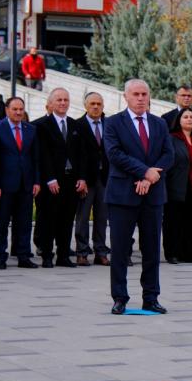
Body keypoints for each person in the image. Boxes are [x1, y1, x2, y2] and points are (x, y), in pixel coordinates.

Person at [103, 79, 174, 314]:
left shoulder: (159, 123)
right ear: (126, 97)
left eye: (144, 94)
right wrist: (144, 171)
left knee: (152, 249)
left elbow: (168, 154)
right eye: (136, 94)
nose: (141, 98)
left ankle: (151, 297)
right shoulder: (113, 123)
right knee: (120, 249)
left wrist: (149, 178)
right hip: (122, 195)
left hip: (152, 195)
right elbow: (115, 154)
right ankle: (119, 297)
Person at [33, 88, 90, 268]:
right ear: (50, 103)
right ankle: (47, 255)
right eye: (59, 100)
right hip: (51, 181)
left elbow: (82, 155)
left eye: (66, 99)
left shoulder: (76, 125)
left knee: (67, 219)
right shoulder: (42, 126)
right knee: (49, 219)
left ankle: (63, 255)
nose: (63, 103)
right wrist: (50, 178)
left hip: (71, 181)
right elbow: (42, 155)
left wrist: (82, 178)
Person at [0, 97, 40, 270]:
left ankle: (23, 256)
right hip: (4, 185)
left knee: (25, 222)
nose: (18, 112)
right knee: (2, 222)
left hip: (26, 184)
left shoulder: (30, 129)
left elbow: (35, 158)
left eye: (21, 109)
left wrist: (36, 181)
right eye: (15, 109)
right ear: (7, 110)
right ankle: (0, 256)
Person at [164, 109, 192, 264]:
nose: (189, 119)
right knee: (174, 221)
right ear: (179, 120)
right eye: (185, 117)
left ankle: (190, 252)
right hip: (176, 186)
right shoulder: (171, 139)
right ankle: (172, 253)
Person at [75, 92, 110, 266]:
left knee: (102, 218)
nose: (96, 107)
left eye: (99, 104)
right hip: (86, 180)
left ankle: (100, 252)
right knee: (82, 217)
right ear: (85, 105)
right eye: (92, 104)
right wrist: (80, 178)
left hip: (105, 178)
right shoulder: (77, 125)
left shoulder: (109, 124)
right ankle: (82, 252)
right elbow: (75, 155)